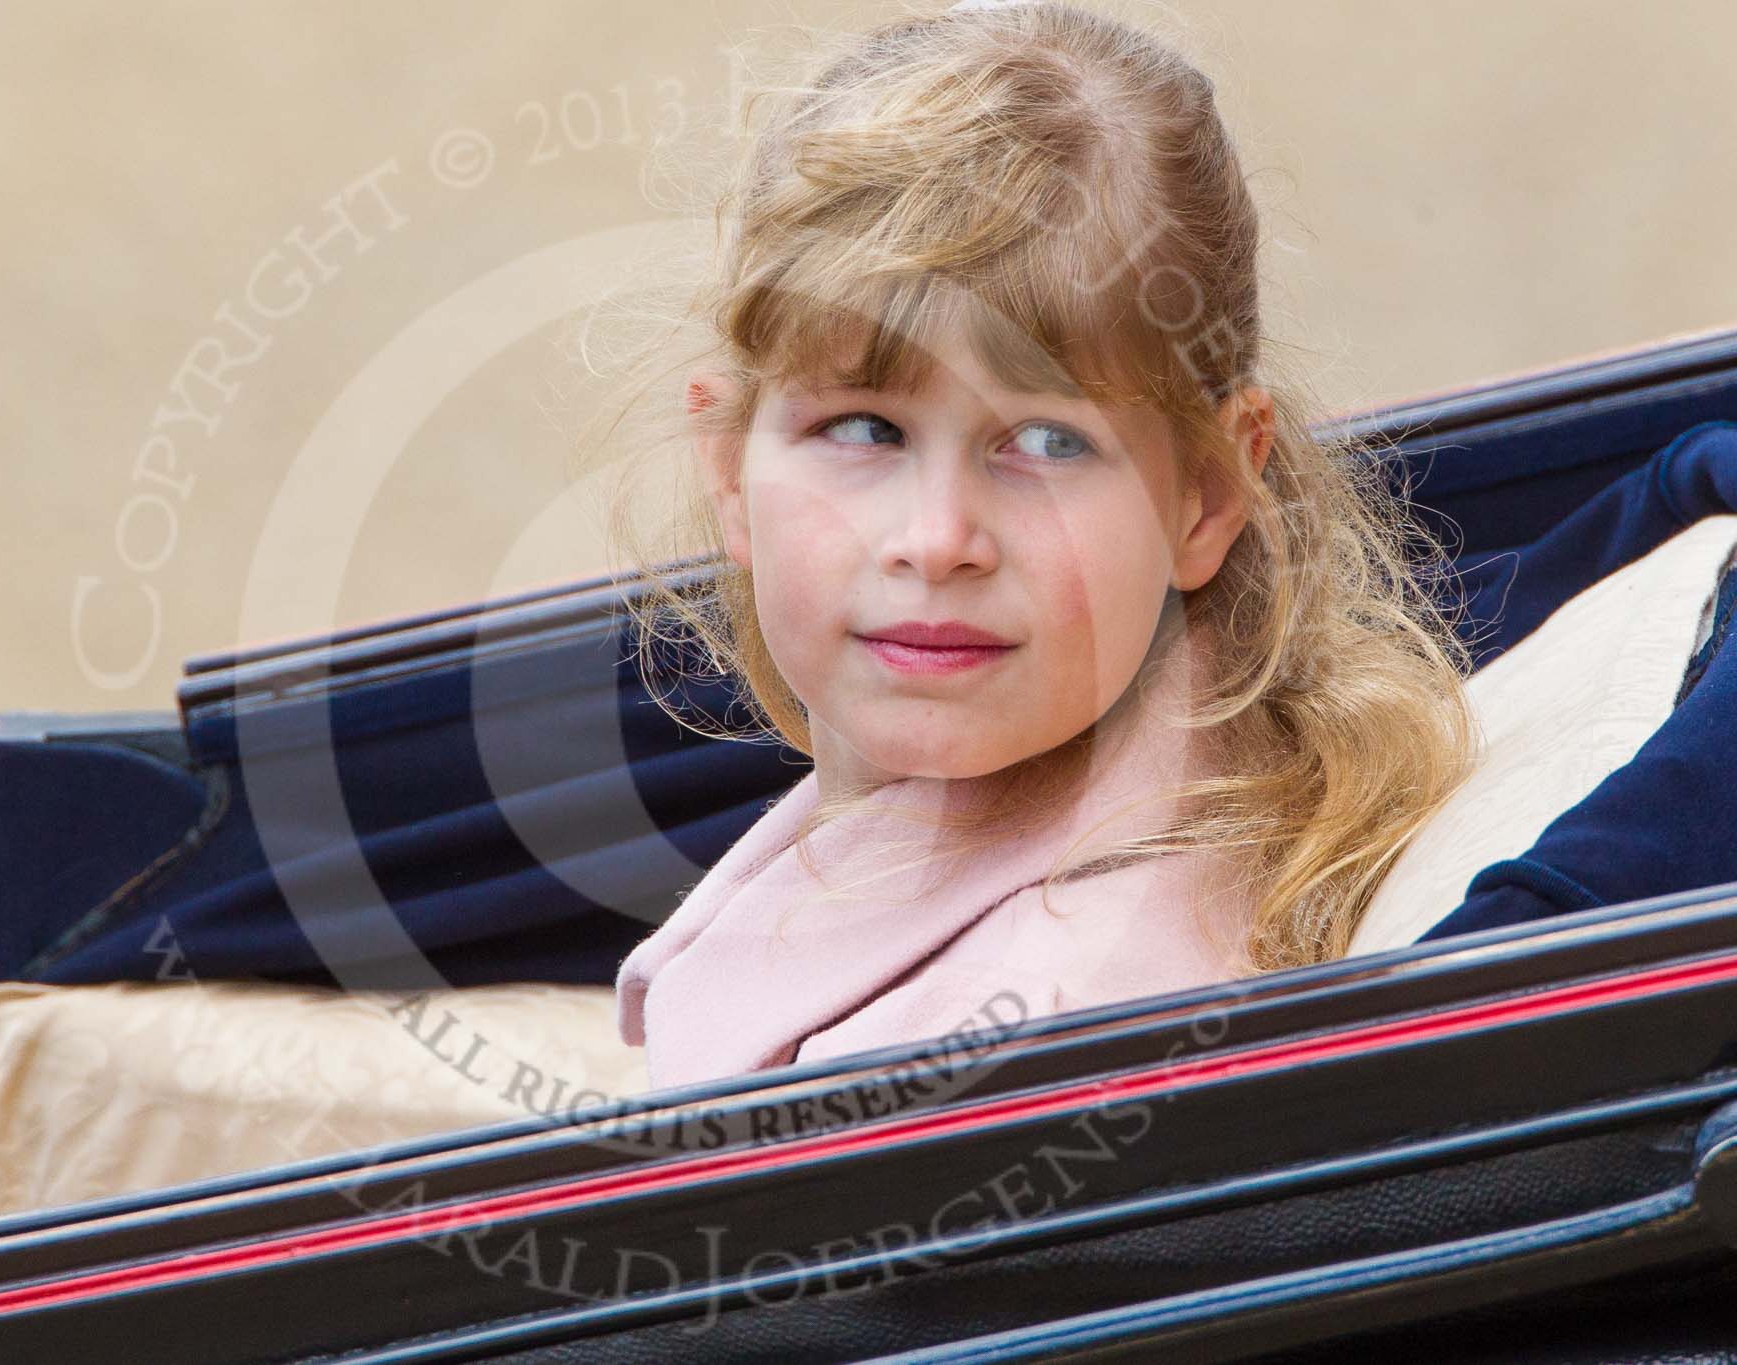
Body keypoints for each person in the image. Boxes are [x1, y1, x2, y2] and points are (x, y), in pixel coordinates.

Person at [574, 1, 1479, 1090]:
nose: (936, 539)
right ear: (730, 468)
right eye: (862, 429)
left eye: (1047, 442)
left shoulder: (1046, 1027)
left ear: (1205, 494)